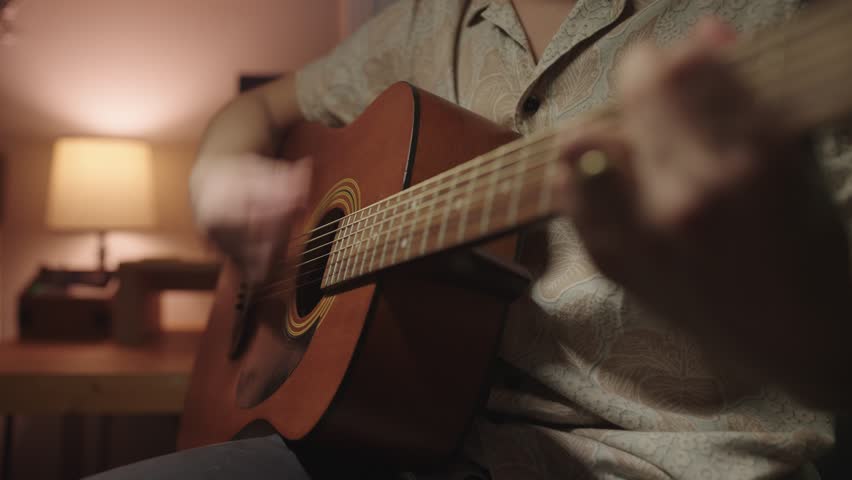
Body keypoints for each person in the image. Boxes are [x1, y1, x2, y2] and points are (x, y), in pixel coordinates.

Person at [93, 0, 852, 478]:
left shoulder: (783, 19)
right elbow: (255, 111)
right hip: (379, 447)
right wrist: (216, 177)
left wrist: (772, 301)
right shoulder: (427, 21)